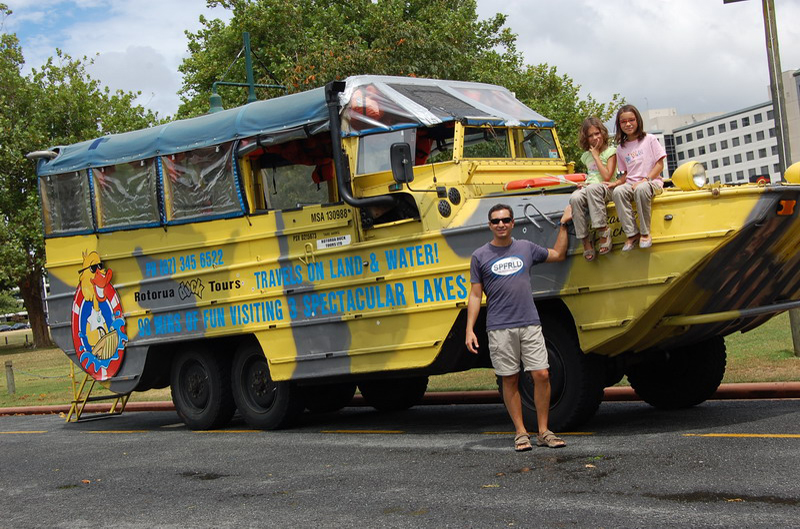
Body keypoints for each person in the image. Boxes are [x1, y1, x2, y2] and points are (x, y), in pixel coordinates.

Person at [465, 203, 572, 451]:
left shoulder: (526, 248)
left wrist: (564, 223)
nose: (500, 224)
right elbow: (474, 295)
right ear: (490, 225)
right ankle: (521, 433)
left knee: (542, 374)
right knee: (509, 379)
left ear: (513, 223)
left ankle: (544, 431)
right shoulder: (480, 256)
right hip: (499, 327)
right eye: (495, 221)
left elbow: (558, 254)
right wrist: (470, 329)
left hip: (530, 323)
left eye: (505, 220)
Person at [611, 105, 667, 251]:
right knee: (618, 192)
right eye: (624, 122)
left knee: (641, 189)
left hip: (651, 182)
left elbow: (660, 164)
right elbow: (625, 174)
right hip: (631, 184)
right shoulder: (621, 148)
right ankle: (632, 233)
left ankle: (645, 232)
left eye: (631, 120)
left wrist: (646, 180)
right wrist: (616, 183)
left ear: (638, 121)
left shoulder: (650, 139)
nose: (628, 124)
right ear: (619, 124)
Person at [569, 117, 618, 260]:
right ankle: (584, 239)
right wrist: (584, 184)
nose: (595, 138)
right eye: (590, 136)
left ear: (602, 133)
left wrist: (596, 156)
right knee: (575, 197)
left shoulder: (611, 152)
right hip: (591, 187)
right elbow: (592, 176)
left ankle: (603, 230)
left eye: (597, 133)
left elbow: (607, 176)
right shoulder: (585, 156)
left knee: (592, 189)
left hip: (607, 188)